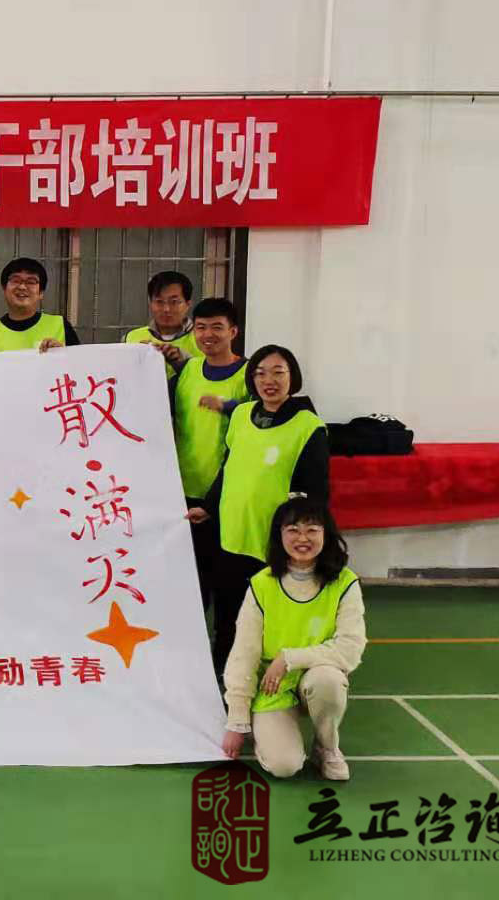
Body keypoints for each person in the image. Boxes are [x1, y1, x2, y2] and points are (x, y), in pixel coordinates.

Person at [190, 344, 328, 674]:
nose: (269, 380)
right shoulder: (240, 415)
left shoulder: (309, 426)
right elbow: (229, 467)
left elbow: (315, 492)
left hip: (273, 541)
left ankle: (274, 675)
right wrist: (209, 507)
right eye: (261, 373)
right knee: (228, 611)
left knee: (269, 614)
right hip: (232, 533)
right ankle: (225, 671)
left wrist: (301, 539)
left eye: (278, 372)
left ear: (293, 378)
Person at [222, 497, 363, 782]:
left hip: (315, 674)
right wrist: (237, 721)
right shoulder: (262, 584)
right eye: (293, 530)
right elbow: (244, 653)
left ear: (326, 534)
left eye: (312, 530)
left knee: (328, 680)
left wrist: (289, 658)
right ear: (280, 535)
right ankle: (269, 731)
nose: (302, 538)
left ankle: (326, 747)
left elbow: (350, 649)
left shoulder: (345, 582)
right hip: (273, 685)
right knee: (284, 766)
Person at [164, 298, 248, 609]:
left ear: (233, 331)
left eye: (217, 327)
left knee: (227, 583)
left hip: (229, 494)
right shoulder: (187, 371)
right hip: (184, 492)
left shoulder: (250, 374)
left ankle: (227, 639)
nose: (208, 335)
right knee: (189, 582)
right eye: (201, 327)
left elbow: (265, 416)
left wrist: (227, 406)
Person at [0, 257, 80, 352]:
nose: (22, 287)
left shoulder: (60, 326)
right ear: (4, 289)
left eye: (31, 282)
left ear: (41, 292)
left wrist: (63, 355)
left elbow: (78, 366)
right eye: (15, 280)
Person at [125, 270, 203, 373]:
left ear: (188, 304)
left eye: (174, 302)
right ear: (150, 303)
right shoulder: (132, 337)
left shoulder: (203, 338)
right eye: (159, 301)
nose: (166, 309)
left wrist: (183, 361)